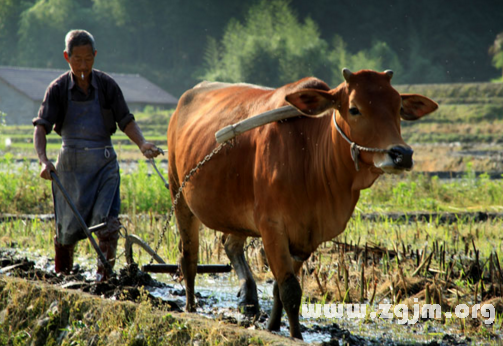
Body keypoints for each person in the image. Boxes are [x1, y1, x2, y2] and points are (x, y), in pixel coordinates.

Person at [33, 29, 161, 282]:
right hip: (69, 168)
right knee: (66, 231)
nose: (83, 65)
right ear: (66, 57)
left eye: (88, 59)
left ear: (95, 55)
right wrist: (44, 161)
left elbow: (126, 120)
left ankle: (105, 278)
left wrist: (143, 143)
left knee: (107, 225)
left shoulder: (107, 86)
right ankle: (63, 276)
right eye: (77, 59)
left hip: (104, 166)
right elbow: (41, 128)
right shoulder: (57, 89)